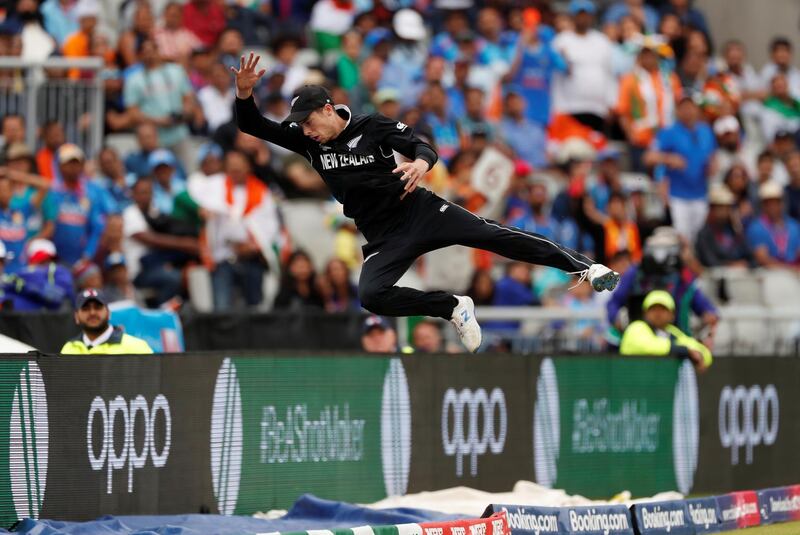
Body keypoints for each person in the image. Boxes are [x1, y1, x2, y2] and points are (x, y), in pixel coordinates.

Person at [232, 52, 620, 353]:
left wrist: (420, 163)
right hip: (384, 236)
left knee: (496, 236)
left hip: (420, 211)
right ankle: (451, 306)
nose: (306, 130)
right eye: (300, 125)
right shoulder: (306, 140)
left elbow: (421, 145)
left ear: (328, 109)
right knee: (371, 295)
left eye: (309, 121)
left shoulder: (372, 126)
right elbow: (253, 125)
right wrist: (245, 93)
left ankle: (586, 267)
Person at [644, 95, 717, 243]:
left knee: (700, 240)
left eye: (691, 106)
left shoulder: (706, 131)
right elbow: (648, 157)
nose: (688, 111)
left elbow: (713, 156)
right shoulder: (669, 132)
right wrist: (669, 158)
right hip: (677, 196)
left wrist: (712, 166)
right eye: (683, 107)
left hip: (701, 194)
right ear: (677, 110)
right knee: (682, 239)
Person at [620, 290, 711, 372]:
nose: (658, 313)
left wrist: (698, 355)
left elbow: (701, 351)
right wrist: (683, 350)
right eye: (653, 309)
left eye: (663, 309)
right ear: (645, 313)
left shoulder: (672, 332)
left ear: (672, 315)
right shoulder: (636, 327)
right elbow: (648, 346)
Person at [60, 288, 153, 354]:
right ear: (76, 317)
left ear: (109, 313)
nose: (92, 312)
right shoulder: (69, 349)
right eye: (85, 308)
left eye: (98, 307)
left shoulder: (137, 347)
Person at [746, 181, 800, 268]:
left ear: (782, 203)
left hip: (795, 275)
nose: (772, 206)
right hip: (769, 275)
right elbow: (762, 259)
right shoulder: (756, 227)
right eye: (768, 203)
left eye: (776, 202)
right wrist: (790, 269)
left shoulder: (794, 225)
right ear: (762, 205)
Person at [695, 185, 752, 268]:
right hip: (714, 278)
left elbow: (751, 258)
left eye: (727, 208)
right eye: (720, 207)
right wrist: (732, 265)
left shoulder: (734, 231)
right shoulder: (704, 234)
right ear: (712, 209)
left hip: (740, 277)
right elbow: (709, 261)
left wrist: (745, 264)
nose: (723, 212)